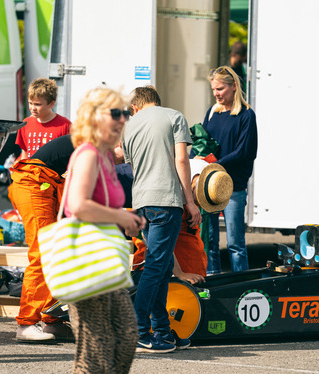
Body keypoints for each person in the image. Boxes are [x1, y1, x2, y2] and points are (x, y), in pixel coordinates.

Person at [64, 86, 144, 374]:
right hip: (87, 257)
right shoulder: (88, 154)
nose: (123, 119)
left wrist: (124, 218)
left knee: (126, 337)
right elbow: (78, 204)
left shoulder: (106, 156)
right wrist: (120, 217)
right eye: (116, 113)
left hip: (107, 257)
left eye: (125, 113)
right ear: (95, 117)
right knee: (96, 350)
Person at [122, 85, 201, 353]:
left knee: (161, 267)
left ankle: (163, 332)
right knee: (156, 268)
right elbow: (181, 160)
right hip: (166, 200)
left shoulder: (129, 127)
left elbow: (133, 167)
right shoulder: (174, 116)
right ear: (156, 101)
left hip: (141, 202)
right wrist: (189, 201)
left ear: (135, 106)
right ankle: (138, 330)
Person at [9, 135, 75, 342]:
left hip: (46, 185)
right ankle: (26, 324)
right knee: (43, 254)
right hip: (34, 184)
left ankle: (51, 320)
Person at [193, 65, 258, 275]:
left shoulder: (246, 115)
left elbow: (244, 152)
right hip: (208, 186)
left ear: (234, 87)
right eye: (214, 89)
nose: (216, 94)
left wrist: (215, 163)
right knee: (209, 241)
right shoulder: (213, 112)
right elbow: (203, 141)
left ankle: (241, 286)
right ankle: (212, 282)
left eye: (220, 89)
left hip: (233, 187)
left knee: (235, 244)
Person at [132, 159, 233, 285]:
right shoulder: (171, 188)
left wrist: (191, 204)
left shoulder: (210, 176)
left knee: (196, 267)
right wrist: (180, 273)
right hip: (155, 206)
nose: (200, 206)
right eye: (200, 201)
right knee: (155, 263)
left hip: (181, 211)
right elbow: (157, 241)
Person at [15, 78, 71, 159]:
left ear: (51, 104)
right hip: (29, 171)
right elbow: (24, 153)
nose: (33, 108)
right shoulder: (25, 124)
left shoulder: (65, 125)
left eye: (37, 104)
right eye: (30, 103)